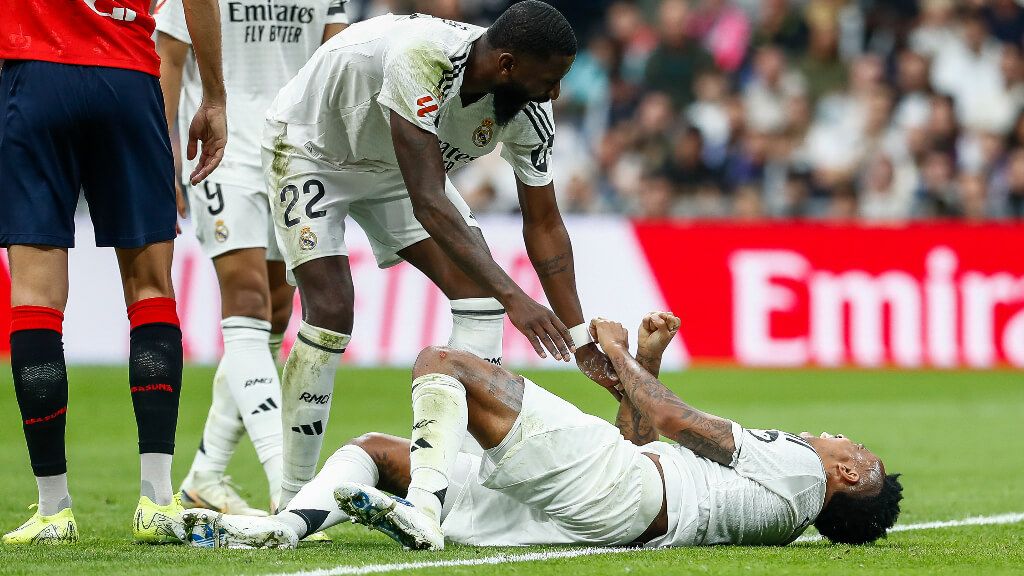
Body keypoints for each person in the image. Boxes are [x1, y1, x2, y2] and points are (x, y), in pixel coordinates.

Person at [261, 1, 618, 510]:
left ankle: (455, 483)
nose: (555, 93)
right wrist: (516, 295)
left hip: (393, 170)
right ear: (508, 65)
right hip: (311, 150)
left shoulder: (531, 110)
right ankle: (292, 497)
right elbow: (428, 200)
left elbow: (544, 224)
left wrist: (580, 338)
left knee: (479, 296)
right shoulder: (424, 57)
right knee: (333, 308)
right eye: (550, 78)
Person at [180, 313, 903, 550]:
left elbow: (677, 421)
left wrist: (617, 349)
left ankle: (424, 514)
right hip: (615, 499)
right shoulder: (780, 505)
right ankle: (289, 525)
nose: (842, 438)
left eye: (857, 450)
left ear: (847, 478)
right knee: (377, 454)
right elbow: (650, 436)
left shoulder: (802, 476)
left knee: (444, 364)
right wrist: (643, 365)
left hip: (614, 488)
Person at [0, 0, 227, 544]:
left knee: (34, 295)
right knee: (151, 287)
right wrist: (214, 94)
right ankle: (157, 500)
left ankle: (53, 509)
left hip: (33, 78)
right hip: (126, 75)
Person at [155, 0, 349, 518]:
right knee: (246, 302)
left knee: (276, 317)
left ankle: (205, 475)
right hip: (220, 151)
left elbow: (336, 57)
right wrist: (165, 149)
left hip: (292, 154)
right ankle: (287, 490)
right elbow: (169, 54)